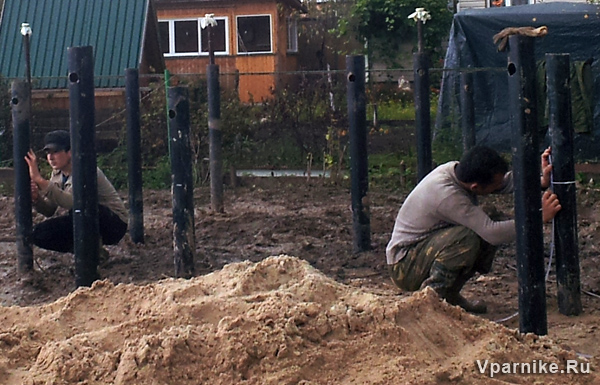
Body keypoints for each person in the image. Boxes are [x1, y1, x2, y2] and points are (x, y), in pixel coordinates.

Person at [386, 146, 561, 314]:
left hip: (423, 249)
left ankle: (449, 296)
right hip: (404, 265)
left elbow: (503, 183)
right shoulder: (448, 195)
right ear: (475, 187)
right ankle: (429, 305)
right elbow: (492, 233)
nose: (500, 185)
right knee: (467, 237)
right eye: (495, 183)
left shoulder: (458, 172)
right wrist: (538, 219)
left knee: (483, 222)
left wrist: (540, 181)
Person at [24, 130, 128, 260]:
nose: (50, 157)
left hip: (114, 222)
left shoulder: (86, 169)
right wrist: (37, 199)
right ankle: (88, 252)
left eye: (56, 151)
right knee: (38, 234)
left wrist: (40, 180)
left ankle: (92, 253)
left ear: (70, 152)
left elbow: (73, 202)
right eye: (48, 152)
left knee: (80, 210)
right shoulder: (57, 174)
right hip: (85, 218)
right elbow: (50, 209)